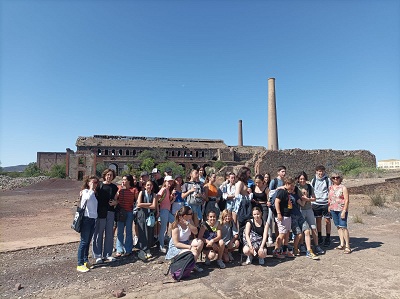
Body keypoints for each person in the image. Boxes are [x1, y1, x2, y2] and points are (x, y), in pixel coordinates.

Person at [165, 206, 204, 272]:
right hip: (176, 247)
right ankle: (188, 267)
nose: (192, 215)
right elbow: (176, 244)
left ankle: (192, 264)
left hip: (186, 242)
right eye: (191, 214)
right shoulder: (176, 226)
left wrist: (187, 224)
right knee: (193, 251)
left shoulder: (189, 221)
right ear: (185, 216)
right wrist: (190, 247)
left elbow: (195, 232)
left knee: (200, 242)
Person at [92, 169, 118, 264]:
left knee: (109, 234)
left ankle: (108, 254)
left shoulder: (114, 187)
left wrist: (116, 202)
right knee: (98, 234)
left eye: (111, 175)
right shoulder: (100, 185)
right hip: (100, 212)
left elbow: (116, 198)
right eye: (107, 175)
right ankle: (98, 255)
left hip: (110, 212)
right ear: (104, 175)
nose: (109, 176)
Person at [288, 183, 320, 260]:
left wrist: (305, 198)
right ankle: (295, 248)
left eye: (293, 186)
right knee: (298, 234)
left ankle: (309, 251)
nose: (292, 187)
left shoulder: (295, 196)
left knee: (307, 231)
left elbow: (302, 204)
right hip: (292, 217)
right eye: (290, 186)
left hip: (299, 215)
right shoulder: (285, 195)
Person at [296, 171, 325, 255]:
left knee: (313, 227)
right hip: (300, 210)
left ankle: (316, 245)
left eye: (303, 179)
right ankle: (302, 245)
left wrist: (307, 199)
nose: (302, 181)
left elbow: (314, 198)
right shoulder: (296, 188)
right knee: (303, 228)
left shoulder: (309, 186)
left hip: (308, 209)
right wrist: (307, 198)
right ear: (298, 179)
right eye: (300, 179)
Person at [77, 175, 99, 272]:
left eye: (96, 183)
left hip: (92, 219)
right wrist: (90, 188)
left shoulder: (94, 193)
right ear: (88, 182)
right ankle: (80, 263)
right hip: (86, 219)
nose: (94, 184)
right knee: (84, 242)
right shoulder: (86, 192)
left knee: (88, 241)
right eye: (92, 182)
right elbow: (86, 198)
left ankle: (85, 260)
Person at [328, 172, 351, 254]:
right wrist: (329, 206)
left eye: (337, 177)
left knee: (343, 227)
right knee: (338, 226)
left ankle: (348, 245)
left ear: (340, 178)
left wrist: (344, 211)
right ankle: (342, 243)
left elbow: (347, 200)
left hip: (341, 209)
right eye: (333, 178)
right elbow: (330, 198)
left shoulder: (343, 188)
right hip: (333, 209)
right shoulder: (330, 188)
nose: (335, 179)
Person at [273, 177, 295, 259]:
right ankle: (276, 251)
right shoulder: (282, 192)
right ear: (287, 184)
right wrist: (279, 213)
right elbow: (276, 202)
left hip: (287, 215)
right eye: (291, 185)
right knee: (281, 234)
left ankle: (285, 250)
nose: (292, 187)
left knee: (287, 233)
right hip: (282, 215)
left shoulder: (287, 193)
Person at [115, 175, 138, 257]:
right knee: (120, 231)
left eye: (125, 180)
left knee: (128, 231)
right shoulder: (119, 188)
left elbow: (137, 201)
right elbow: (115, 198)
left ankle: (128, 249)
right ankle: (119, 249)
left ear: (129, 181)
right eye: (123, 180)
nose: (123, 181)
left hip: (129, 212)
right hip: (121, 212)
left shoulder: (134, 190)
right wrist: (119, 191)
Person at [311, 165, 332, 247]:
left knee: (327, 220)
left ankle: (328, 237)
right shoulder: (314, 180)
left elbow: (330, 191)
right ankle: (319, 236)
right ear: (316, 171)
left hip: (325, 203)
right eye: (319, 171)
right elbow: (312, 191)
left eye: (322, 171)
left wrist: (330, 203)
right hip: (316, 203)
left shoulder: (327, 180)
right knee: (318, 220)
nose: (320, 173)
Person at [136, 180, 158, 261]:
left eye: (150, 185)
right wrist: (149, 204)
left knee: (150, 232)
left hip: (150, 216)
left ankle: (148, 248)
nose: (149, 186)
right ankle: (142, 249)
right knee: (142, 232)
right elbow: (138, 204)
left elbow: (154, 206)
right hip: (142, 215)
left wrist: (144, 205)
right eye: (148, 185)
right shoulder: (141, 193)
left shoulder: (154, 195)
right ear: (145, 186)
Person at [156, 176, 175, 253]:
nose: (170, 183)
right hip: (163, 211)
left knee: (174, 223)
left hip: (166, 210)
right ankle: (161, 245)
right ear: (165, 181)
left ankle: (169, 242)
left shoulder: (167, 190)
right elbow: (157, 200)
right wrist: (158, 211)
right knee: (163, 228)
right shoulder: (163, 189)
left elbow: (167, 203)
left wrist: (172, 199)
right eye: (168, 181)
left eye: (171, 181)